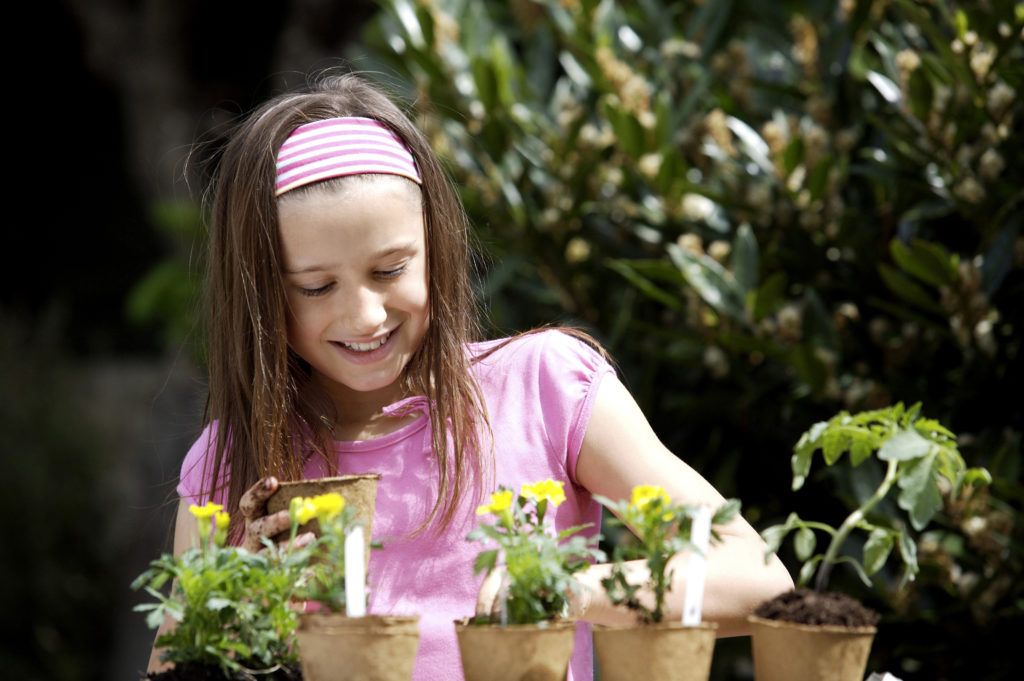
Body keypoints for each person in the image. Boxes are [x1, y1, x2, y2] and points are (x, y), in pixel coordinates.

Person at [148, 72, 793, 680]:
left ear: (436, 246)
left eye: (391, 269)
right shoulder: (230, 464)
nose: (365, 314)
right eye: (316, 287)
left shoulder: (542, 388)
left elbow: (758, 578)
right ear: (261, 295)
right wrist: (233, 609)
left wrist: (564, 589)